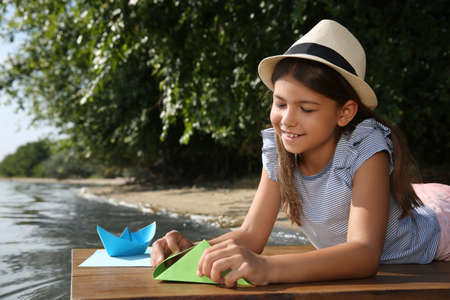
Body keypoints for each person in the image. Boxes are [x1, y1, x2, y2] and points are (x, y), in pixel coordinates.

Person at [150, 19, 450, 287]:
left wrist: (267, 267)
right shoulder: (281, 150)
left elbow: (363, 254)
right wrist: (190, 252)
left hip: (438, 231)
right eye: (280, 104)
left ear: (345, 112)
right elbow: (252, 235)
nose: (287, 119)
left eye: (306, 109)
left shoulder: (364, 148)